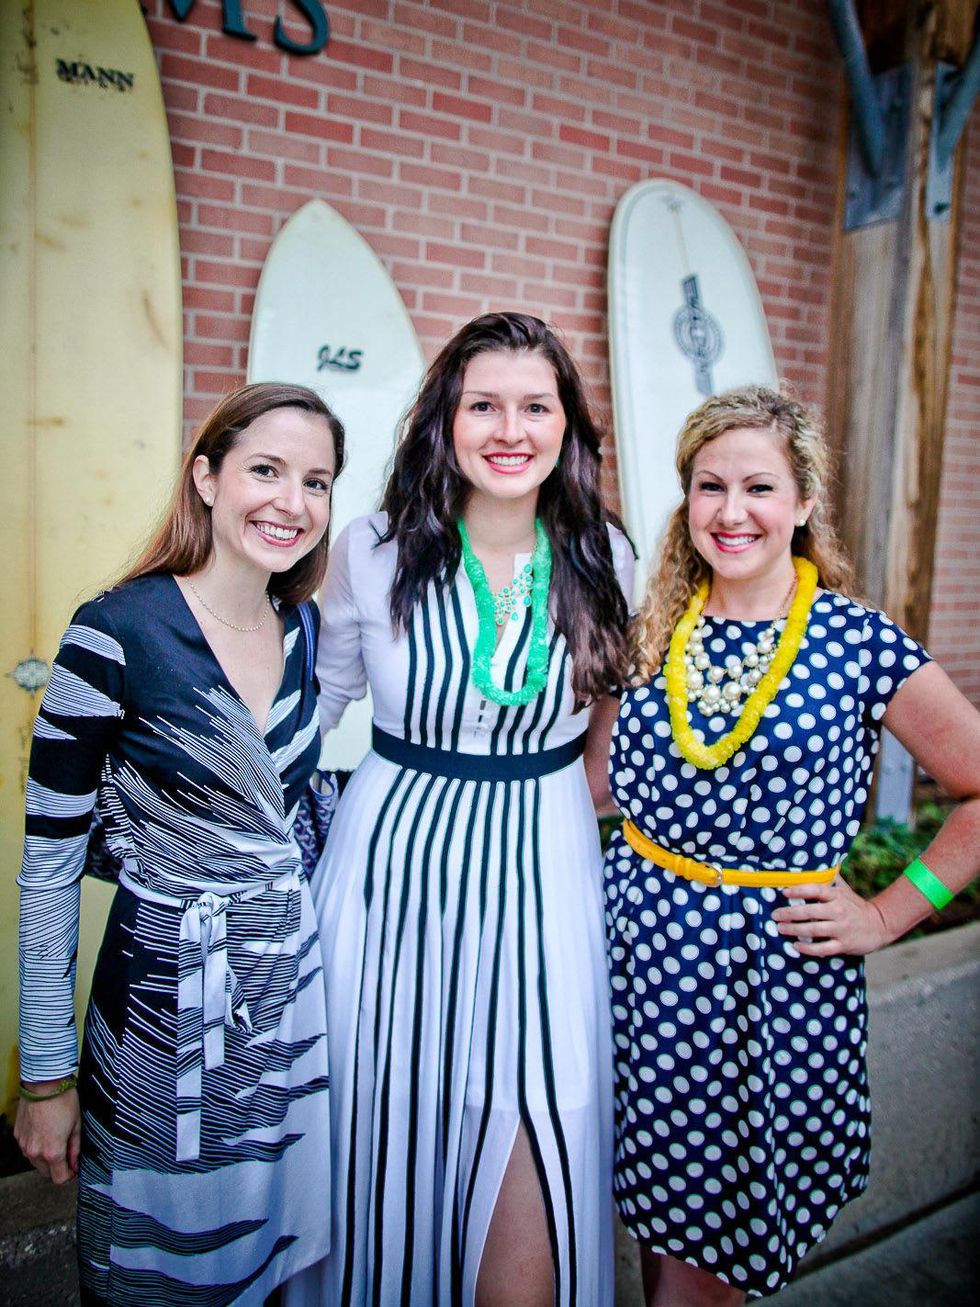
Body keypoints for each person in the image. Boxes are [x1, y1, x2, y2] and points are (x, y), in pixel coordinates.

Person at [599, 385, 980, 1304]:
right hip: (635, 954)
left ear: (805, 503)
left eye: (760, 488)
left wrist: (890, 912)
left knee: (712, 1253)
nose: (732, 513)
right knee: (656, 1224)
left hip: (767, 976)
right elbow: (594, 784)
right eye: (709, 486)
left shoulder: (859, 644)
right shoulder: (651, 634)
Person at [284, 312, 634, 1307]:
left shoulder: (603, 550)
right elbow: (318, 704)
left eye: (535, 405)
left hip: (542, 873)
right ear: (445, 418)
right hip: (390, 869)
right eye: (483, 404)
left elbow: (610, 714)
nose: (508, 428)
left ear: (566, 425)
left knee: (539, 1121)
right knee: (380, 1126)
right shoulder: (372, 547)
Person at [15, 382, 345, 1305]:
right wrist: (45, 1077)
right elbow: (46, 868)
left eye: (316, 482)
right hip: (162, 1025)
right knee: (160, 1276)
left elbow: (295, 817)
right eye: (267, 470)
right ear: (206, 476)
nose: (292, 502)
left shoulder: (303, 626)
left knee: (278, 1265)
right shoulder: (112, 633)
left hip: (291, 1015)